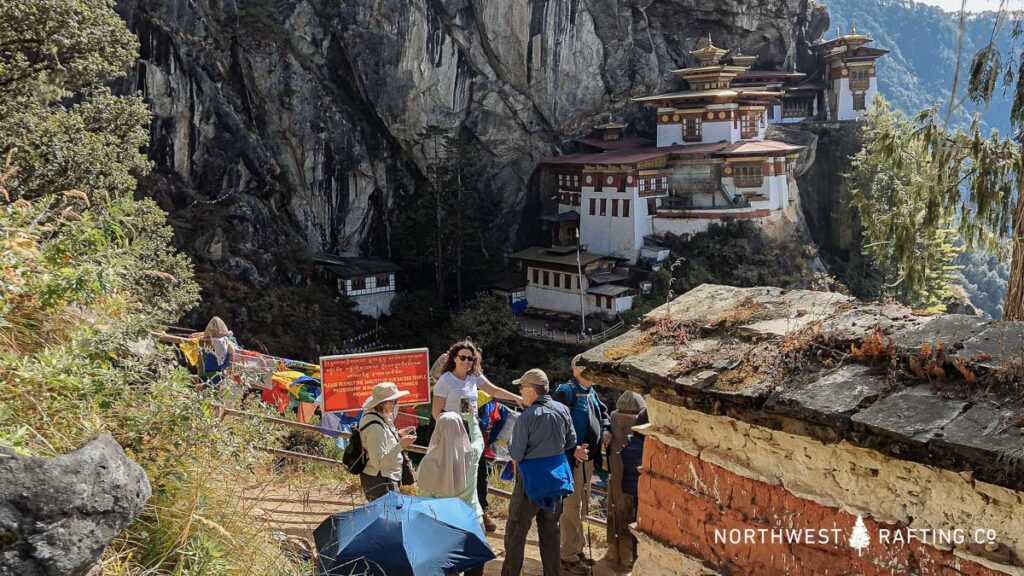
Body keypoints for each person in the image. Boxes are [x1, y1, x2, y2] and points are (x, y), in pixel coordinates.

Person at [502, 369, 576, 576]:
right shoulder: (563, 409)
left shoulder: (527, 417)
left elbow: (516, 453)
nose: (520, 390)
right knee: (551, 532)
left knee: (516, 530)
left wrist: (510, 441)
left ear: (532, 391)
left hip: (530, 481)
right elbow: (572, 442)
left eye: (522, 387)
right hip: (556, 480)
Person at [552, 354, 611, 574]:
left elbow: (603, 414)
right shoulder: (566, 392)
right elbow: (555, 425)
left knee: (581, 506)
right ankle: (568, 556)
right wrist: (571, 449)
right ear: (577, 369)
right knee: (571, 508)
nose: (593, 371)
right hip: (572, 460)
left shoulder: (591, 392)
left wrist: (606, 429)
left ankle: (576, 550)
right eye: (589, 367)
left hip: (586, 460)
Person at [418, 409, 489, 576]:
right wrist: (471, 418)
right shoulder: (472, 454)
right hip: (473, 520)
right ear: (461, 430)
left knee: (448, 570)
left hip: (443, 525)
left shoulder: (428, 462)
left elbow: (424, 500)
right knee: (475, 567)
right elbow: (479, 439)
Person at [605, 391, 646, 571]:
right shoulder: (644, 443)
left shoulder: (626, 445)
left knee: (621, 521)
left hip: (620, 485)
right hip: (640, 490)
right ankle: (634, 563)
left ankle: (621, 558)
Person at [432, 340, 522, 420]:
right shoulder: (445, 380)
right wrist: (447, 430)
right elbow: (436, 413)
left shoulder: (474, 376)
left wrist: (516, 397)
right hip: (452, 430)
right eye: (462, 358)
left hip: (472, 428)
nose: (466, 361)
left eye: (470, 358)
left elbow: (494, 391)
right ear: (455, 358)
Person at [358, 382, 417, 501]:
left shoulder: (376, 416)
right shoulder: (375, 426)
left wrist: (398, 434)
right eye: (394, 401)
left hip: (383, 479)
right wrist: (401, 445)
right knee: (390, 518)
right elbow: (378, 463)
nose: (396, 404)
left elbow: (383, 440)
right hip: (381, 481)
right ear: (384, 403)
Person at [477, 393, 510, 533]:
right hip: (456, 443)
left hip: (477, 446)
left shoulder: (482, 397)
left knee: (481, 478)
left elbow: (484, 423)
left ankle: (482, 511)